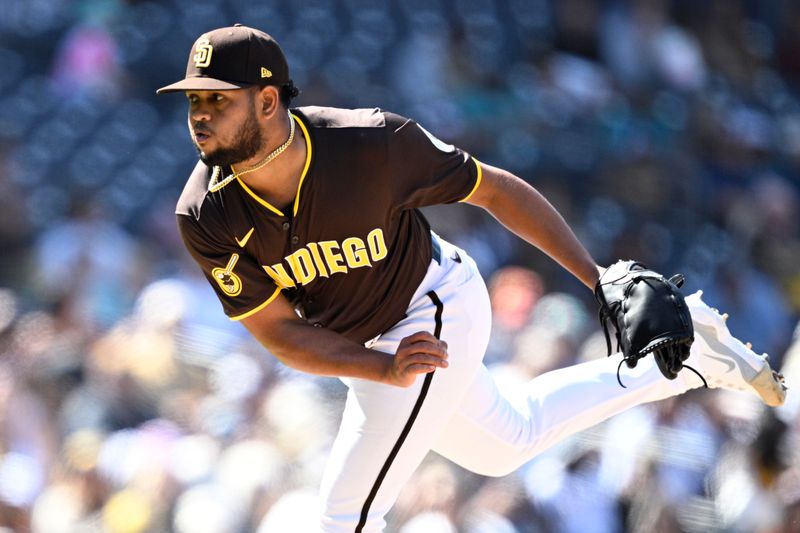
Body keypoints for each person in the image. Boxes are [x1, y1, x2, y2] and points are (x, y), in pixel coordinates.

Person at [157, 25, 787, 533]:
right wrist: (377, 369)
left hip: (434, 307)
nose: (200, 115)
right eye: (194, 99)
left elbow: (493, 189)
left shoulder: (369, 144)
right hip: (371, 347)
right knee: (507, 443)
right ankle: (690, 359)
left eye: (218, 98)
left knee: (342, 516)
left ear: (268, 100)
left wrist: (595, 279)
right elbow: (277, 331)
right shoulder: (204, 212)